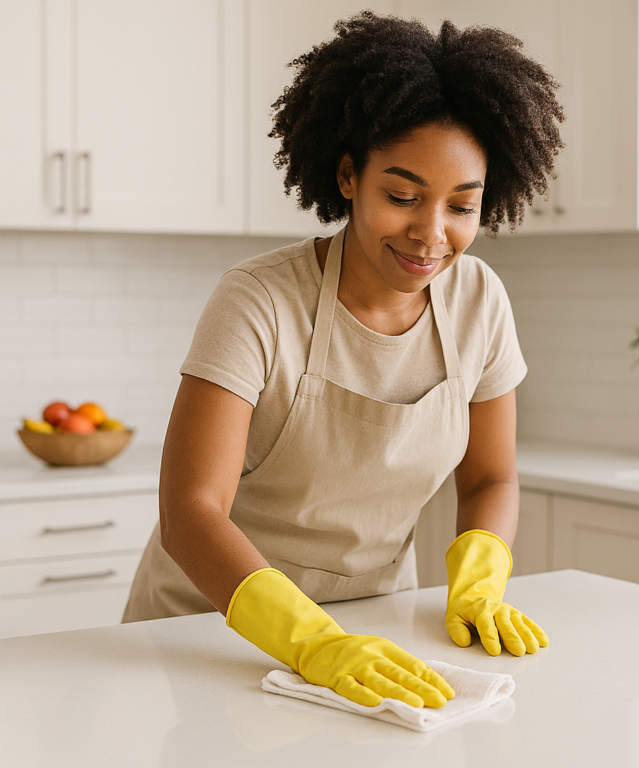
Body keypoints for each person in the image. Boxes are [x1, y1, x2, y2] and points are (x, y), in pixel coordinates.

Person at [123, 11, 564, 710]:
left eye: (462, 207)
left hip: (373, 636)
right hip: (207, 637)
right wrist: (310, 641)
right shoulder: (259, 301)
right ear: (348, 176)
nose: (431, 234)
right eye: (402, 195)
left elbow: (490, 476)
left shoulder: (480, 300)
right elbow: (190, 512)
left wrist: (480, 575)